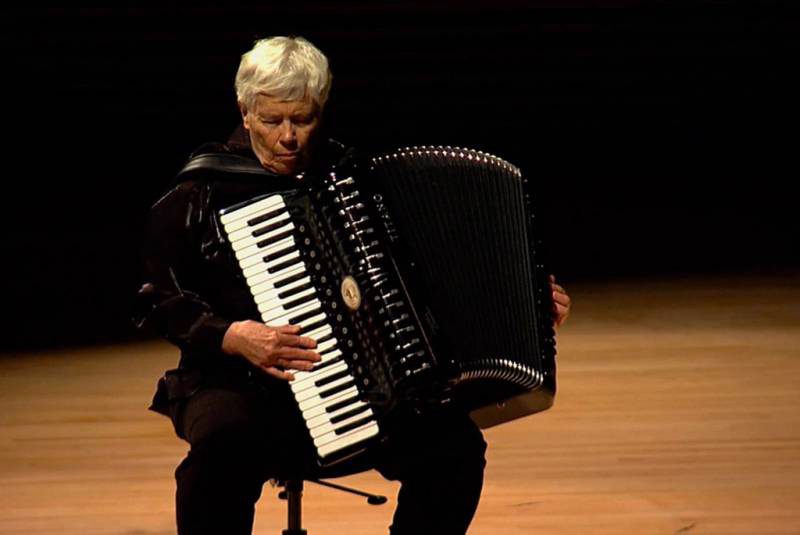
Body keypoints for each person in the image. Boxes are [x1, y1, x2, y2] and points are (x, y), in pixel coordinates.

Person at [134, 35, 571, 535]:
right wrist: (232, 335)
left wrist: (528, 303)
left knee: (456, 451)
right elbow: (159, 300)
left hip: (367, 386)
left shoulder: (353, 178)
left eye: (303, 119)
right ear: (245, 109)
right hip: (238, 380)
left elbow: (426, 281)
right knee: (220, 451)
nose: (288, 138)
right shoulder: (199, 192)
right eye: (273, 120)